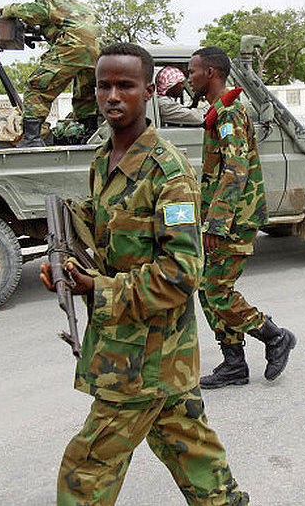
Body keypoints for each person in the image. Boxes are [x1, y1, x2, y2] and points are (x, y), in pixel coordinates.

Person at [39, 43, 249, 506]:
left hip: (145, 358)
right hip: (147, 355)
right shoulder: (104, 158)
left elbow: (182, 272)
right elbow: (105, 233)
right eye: (104, 85)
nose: (113, 96)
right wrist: (69, 267)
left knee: (86, 470)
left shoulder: (167, 171)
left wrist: (100, 289)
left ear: (149, 91)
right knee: (193, 453)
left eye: (126, 86)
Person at [187, 46, 297, 389]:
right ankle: (234, 362)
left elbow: (234, 171)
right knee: (208, 291)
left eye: (193, 71)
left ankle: (274, 336)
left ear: (211, 73)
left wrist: (217, 223)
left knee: (217, 291)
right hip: (219, 218)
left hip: (233, 220)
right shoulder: (218, 112)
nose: (189, 77)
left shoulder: (230, 114)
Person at [0, 0, 101, 148]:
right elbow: (58, 25)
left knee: (37, 86)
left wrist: (6, 10)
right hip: (97, 53)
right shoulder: (83, 7)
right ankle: (89, 134)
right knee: (85, 92)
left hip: (72, 48)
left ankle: (32, 139)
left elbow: (28, 10)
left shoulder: (50, 2)